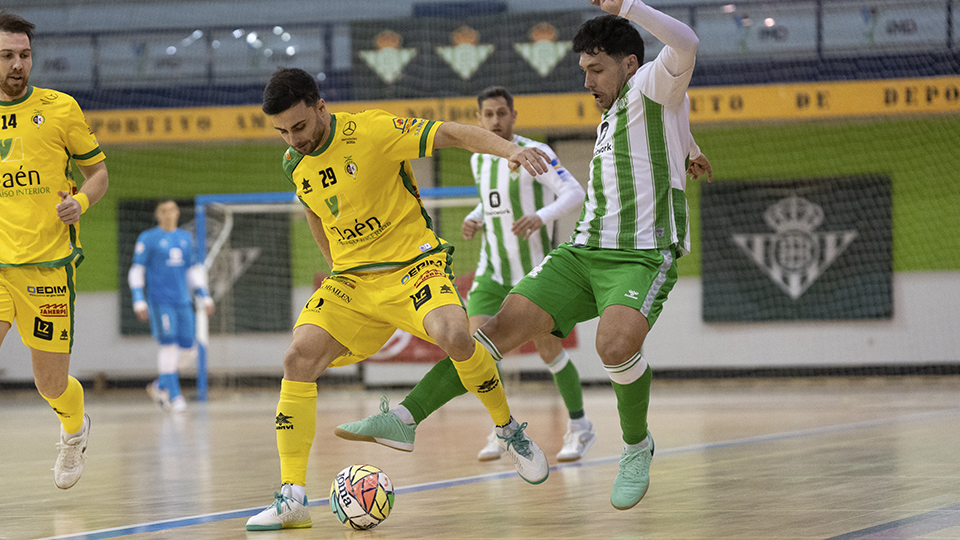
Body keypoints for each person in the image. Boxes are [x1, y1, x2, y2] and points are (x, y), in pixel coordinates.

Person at [335, 0, 702, 512]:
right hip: (583, 251)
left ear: (630, 64)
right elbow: (667, 127)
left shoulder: (649, 85)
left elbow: (685, 44)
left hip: (639, 256)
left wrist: (630, 7)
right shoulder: (616, 112)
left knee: (615, 346)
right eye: (583, 71)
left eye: (596, 69)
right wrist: (688, 147)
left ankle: (636, 444)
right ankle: (406, 418)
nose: (588, 80)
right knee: (491, 334)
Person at [245, 67, 553, 531]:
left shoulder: (372, 130)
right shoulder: (294, 162)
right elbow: (313, 208)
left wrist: (513, 150)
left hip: (414, 266)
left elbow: (451, 133)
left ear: (321, 107)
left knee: (457, 335)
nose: (294, 139)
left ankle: (509, 431)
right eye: (282, 132)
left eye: (300, 127)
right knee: (298, 358)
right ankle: (292, 499)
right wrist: (334, 264)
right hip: (352, 280)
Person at [336, 86, 596, 463]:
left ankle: (579, 425)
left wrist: (541, 217)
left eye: (502, 113)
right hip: (492, 271)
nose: (496, 121)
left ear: (514, 115)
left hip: (531, 270)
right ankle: (502, 428)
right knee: (473, 350)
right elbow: (495, 199)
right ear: (479, 119)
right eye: (488, 115)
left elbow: (574, 193)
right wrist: (477, 216)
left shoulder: (534, 152)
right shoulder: (480, 158)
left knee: (549, 349)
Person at [0, 12, 109, 489]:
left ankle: (73, 430)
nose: (17, 64)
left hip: (47, 268)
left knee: (49, 384)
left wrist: (80, 202)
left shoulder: (60, 108)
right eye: (6, 56)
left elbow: (98, 175)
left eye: (24, 55)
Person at [128, 200, 214, 413]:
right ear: (158, 214)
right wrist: (139, 299)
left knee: (189, 349)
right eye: (164, 211)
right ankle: (174, 396)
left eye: (172, 210)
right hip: (160, 301)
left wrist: (204, 296)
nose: (169, 214)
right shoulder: (148, 238)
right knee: (168, 345)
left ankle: (161, 385)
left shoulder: (185, 238)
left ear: (177, 213)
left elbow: (192, 270)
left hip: (183, 301)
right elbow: (136, 271)